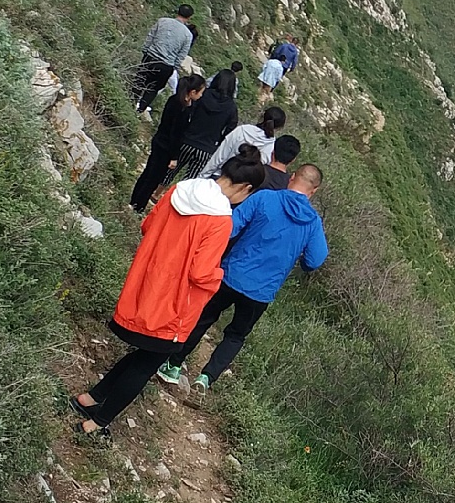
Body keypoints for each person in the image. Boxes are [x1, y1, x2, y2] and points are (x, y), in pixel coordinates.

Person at [71, 160, 257, 441]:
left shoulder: (180, 190)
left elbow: (148, 225)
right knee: (149, 362)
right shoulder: (220, 220)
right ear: (246, 188)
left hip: (148, 284)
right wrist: (219, 275)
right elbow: (201, 272)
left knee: (144, 353)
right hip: (177, 303)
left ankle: (91, 398)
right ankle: (96, 424)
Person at [161, 164, 327, 391]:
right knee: (236, 336)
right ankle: (206, 379)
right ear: (314, 190)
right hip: (262, 291)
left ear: (292, 177)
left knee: (203, 318)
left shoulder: (265, 198)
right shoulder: (313, 223)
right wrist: (299, 260)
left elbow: (231, 226)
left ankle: (173, 365)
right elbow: (315, 260)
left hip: (232, 274)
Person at [129, 73, 205, 211]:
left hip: (160, 140)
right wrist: (174, 157)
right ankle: (138, 205)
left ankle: (135, 201)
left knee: (149, 173)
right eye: (200, 92)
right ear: (193, 92)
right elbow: (176, 134)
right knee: (153, 177)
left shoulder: (178, 101)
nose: (201, 96)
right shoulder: (181, 107)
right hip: (166, 146)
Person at [171, 66, 240, 180]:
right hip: (207, 147)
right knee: (191, 180)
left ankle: (158, 189)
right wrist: (219, 141)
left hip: (188, 139)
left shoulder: (203, 94)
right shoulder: (231, 107)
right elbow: (230, 128)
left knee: (170, 171)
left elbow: (189, 111)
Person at [130, 5, 196, 114]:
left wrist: (146, 51)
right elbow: (182, 54)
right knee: (153, 89)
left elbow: (150, 37)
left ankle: (129, 104)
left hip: (150, 57)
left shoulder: (162, 21)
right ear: (189, 17)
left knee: (140, 81)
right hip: (166, 65)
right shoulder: (188, 35)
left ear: (178, 11)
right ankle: (139, 110)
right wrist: (174, 67)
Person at [198, 105, 285, 178]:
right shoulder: (271, 147)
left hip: (220, 176)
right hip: (239, 188)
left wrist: (203, 176)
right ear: (279, 128)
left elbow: (220, 155)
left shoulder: (242, 130)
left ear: (263, 116)